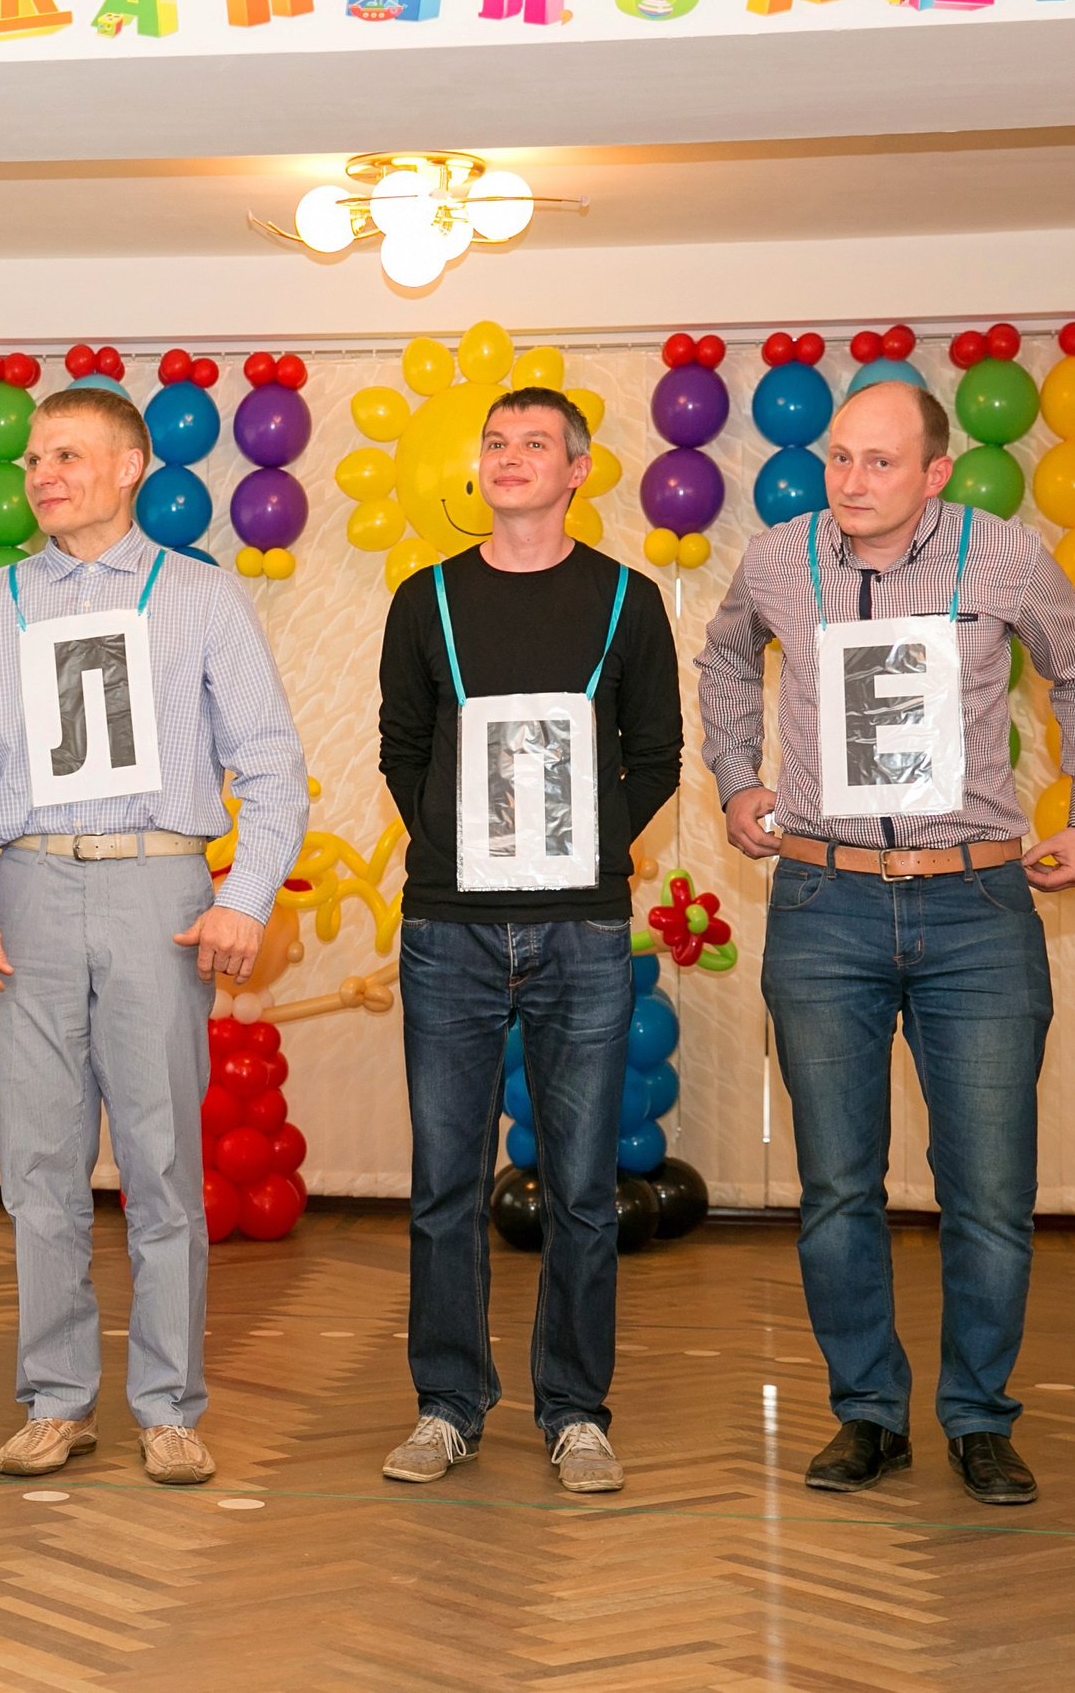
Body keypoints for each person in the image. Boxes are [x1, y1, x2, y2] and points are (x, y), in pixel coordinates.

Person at [695, 379, 1075, 1507]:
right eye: (840, 459)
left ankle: (979, 1417)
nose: (851, 482)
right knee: (838, 1185)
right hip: (821, 904)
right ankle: (867, 1414)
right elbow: (726, 658)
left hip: (976, 910)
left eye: (879, 462)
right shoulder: (777, 560)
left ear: (935, 473)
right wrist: (736, 779)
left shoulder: (1007, 556)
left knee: (985, 1188)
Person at [0, 386, 307, 1487]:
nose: (40, 474)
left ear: (133, 465)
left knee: (162, 1160)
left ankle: (169, 1404)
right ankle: (54, 1400)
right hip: (28, 892)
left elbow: (272, 765)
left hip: (159, 894)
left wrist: (249, 892)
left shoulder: (201, 596)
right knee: (37, 1165)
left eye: (68, 455)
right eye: (33, 458)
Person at [374, 388, 682, 1491]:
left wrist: (578, 852)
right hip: (447, 930)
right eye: (495, 442)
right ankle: (447, 1403)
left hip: (584, 927)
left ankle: (575, 1409)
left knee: (583, 1186)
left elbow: (655, 756)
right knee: (442, 1182)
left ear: (577, 470)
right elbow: (403, 748)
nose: (509, 457)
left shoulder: (625, 601)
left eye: (533, 443)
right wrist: (469, 852)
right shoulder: (426, 601)